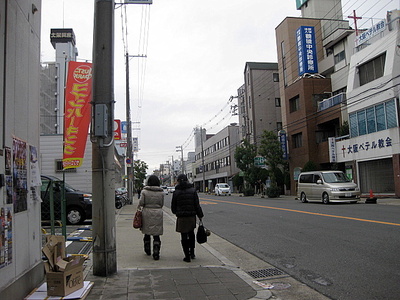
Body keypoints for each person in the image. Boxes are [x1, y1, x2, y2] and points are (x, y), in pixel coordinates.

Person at [171, 174, 204, 262]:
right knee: (191, 233)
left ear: (178, 181)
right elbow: (197, 205)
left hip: (181, 217)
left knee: (183, 235)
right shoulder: (193, 191)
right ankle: (192, 252)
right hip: (191, 216)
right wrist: (200, 215)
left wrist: (177, 212)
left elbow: (173, 207)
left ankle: (187, 256)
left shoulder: (176, 192)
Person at [137, 175, 164, 260]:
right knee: (156, 233)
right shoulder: (161, 192)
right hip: (158, 212)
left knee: (147, 232)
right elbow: (162, 204)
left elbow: (141, 202)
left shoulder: (144, 192)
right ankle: (156, 251)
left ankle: (147, 249)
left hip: (147, 212)